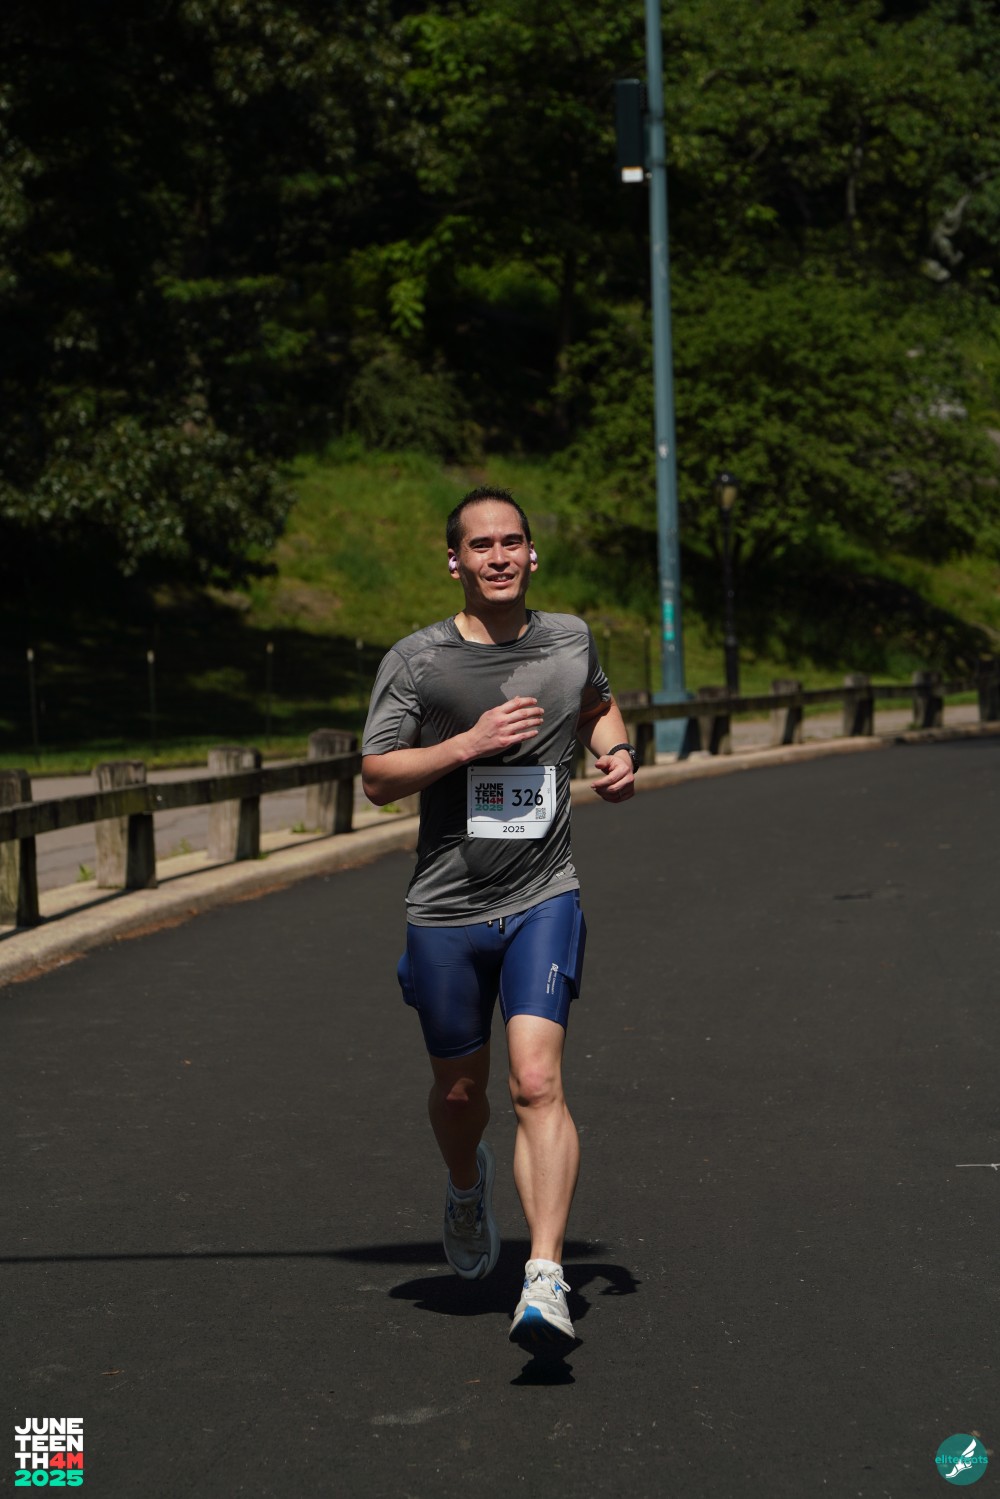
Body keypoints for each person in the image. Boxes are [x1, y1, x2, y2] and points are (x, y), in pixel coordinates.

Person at [361, 485, 637, 1353]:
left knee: (536, 1080)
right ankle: (464, 1183)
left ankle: (545, 1274)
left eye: (511, 541)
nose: (499, 556)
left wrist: (616, 752)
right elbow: (376, 776)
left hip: (543, 893)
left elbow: (595, 705)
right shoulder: (418, 661)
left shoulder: (569, 639)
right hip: (446, 908)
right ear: (455, 561)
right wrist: (466, 745)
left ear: (532, 552)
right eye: (480, 545)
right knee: (460, 1092)